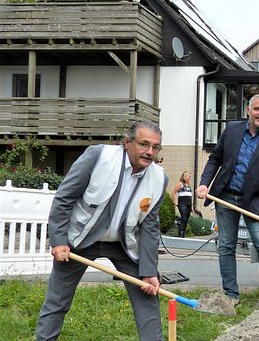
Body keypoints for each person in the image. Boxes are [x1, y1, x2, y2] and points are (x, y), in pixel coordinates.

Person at [36, 120, 168, 341]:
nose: (150, 152)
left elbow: (149, 227)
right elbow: (64, 198)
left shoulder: (159, 178)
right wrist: (58, 241)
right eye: (144, 144)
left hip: (124, 245)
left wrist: (149, 271)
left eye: (155, 147)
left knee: (148, 296)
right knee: (57, 300)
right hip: (79, 242)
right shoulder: (97, 157)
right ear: (127, 142)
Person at [195, 94, 259, 307]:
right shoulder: (232, 130)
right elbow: (215, 158)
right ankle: (231, 295)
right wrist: (204, 182)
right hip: (226, 196)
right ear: (248, 109)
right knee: (226, 245)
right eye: (257, 109)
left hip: (254, 202)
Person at [171, 171, 193, 238]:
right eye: (189, 176)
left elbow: (190, 195)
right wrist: (175, 202)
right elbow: (173, 193)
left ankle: (183, 235)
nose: (190, 177)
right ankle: (180, 236)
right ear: (185, 176)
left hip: (189, 204)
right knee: (184, 218)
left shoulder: (189, 184)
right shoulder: (180, 184)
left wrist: (191, 206)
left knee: (186, 219)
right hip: (182, 203)